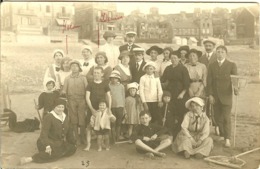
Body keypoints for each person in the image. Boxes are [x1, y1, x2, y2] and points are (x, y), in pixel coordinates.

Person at [20, 98, 77, 165]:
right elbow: (43, 134)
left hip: (58, 142)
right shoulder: (49, 117)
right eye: (58, 107)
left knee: (72, 149)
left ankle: (54, 153)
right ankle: (30, 159)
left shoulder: (65, 117)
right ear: (54, 107)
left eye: (62, 107)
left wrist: (73, 142)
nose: (60, 109)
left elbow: (69, 132)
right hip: (45, 142)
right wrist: (47, 146)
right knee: (55, 153)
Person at [207, 45, 238, 147]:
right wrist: (210, 95)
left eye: (222, 52)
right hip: (215, 97)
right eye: (218, 52)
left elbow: (235, 80)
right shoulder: (212, 65)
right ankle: (222, 134)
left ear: (226, 54)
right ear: (216, 54)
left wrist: (236, 88)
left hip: (226, 96)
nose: (220, 54)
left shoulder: (231, 65)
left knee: (226, 118)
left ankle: (227, 139)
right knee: (217, 118)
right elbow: (209, 82)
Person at [161, 52, 190, 138]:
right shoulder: (168, 68)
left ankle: (179, 133)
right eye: (172, 58)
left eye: (175, 58)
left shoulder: (183, 68)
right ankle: (170, 132)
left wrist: (182, 94)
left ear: (179, 59)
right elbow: (163, 79)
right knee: (170, 113)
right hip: (170, 94)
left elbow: (187, 83)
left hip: (180, 94)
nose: (173, 60)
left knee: (180, 113)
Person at [85, 66, 112, 151]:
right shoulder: (90, 84)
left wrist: (109, 108)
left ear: (102, 74)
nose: (96, 74)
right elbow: (87, 97)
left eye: (98, 73)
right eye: (95, 73)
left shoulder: (105, 84)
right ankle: (88, 145)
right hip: (92, 107)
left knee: (102, 126)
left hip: (102, 108)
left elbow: (109, 96)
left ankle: (102, 143)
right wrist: (92, 109)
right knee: (89, 126)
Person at [61, 60, 88, 145]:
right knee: (74, 119)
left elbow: (87, 89)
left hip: (82, 100)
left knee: (82, 119)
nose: (74, 68)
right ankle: (76, 138)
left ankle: (83, 137)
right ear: (70, 68)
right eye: (72, 66)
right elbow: (64, 91)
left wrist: (86, 100)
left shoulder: (83, 78)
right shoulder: (67, 78)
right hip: (71, 100)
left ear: (79, 68)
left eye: (76, 66)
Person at [109, 70, 125, 142]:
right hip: (112, 106)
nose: (113, 79)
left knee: (119, 122)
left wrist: (124, 107)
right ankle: (113, 138)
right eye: (112, 78)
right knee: (113, 122)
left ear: (118, 79)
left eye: (115, 78)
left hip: (120, 106)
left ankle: (117, 137)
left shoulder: (121, 86)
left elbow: (123, 96)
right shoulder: (108, 86)